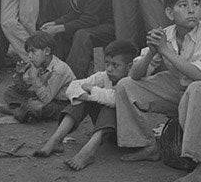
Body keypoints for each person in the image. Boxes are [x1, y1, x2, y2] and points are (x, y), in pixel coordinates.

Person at [114, 0, 201, 182]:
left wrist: (165, 50)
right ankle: (148, 145)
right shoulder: (166, 34)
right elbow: (134, 75)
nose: (191, 10)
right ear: (170, 12)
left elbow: (199, 75)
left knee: (197, 87)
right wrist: (152, 51)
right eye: (183, 5)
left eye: (196, 4)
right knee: (125, 85)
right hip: (179, 88)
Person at [34, 39, 137, 169]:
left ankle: (88, 151)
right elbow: (73, 86)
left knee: (109, 106)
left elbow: (115, 99)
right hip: (108, 132)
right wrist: (86, 95)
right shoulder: (104, 76)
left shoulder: (132, 81)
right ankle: (56, 139)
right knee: (82, 99)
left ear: (129, 67)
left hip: (126, 135)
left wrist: (92, 92)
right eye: (107, 63)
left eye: (115, 65)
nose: (109, 69)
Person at [38, 0, 115, 77]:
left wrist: (60, 27)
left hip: (108, 28)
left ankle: (72, 79)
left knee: (81, 34)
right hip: (93, 26)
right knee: (61, 33)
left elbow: (89, 20)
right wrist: (55, 23)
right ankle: (55, 73)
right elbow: (76, 13)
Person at [0, 31, 74, 123]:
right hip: (43, 97)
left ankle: (15, 111)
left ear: (47, 51)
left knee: (39, 107)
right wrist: (19, 74)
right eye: (28, 52)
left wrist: (34, 79)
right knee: (10, 91)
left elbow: (47, 99)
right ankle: (24, 111)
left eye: (33, 52)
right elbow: (24, 87)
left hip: (61, 103)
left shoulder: (59, 69)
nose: (29, 56)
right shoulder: (39, 64)